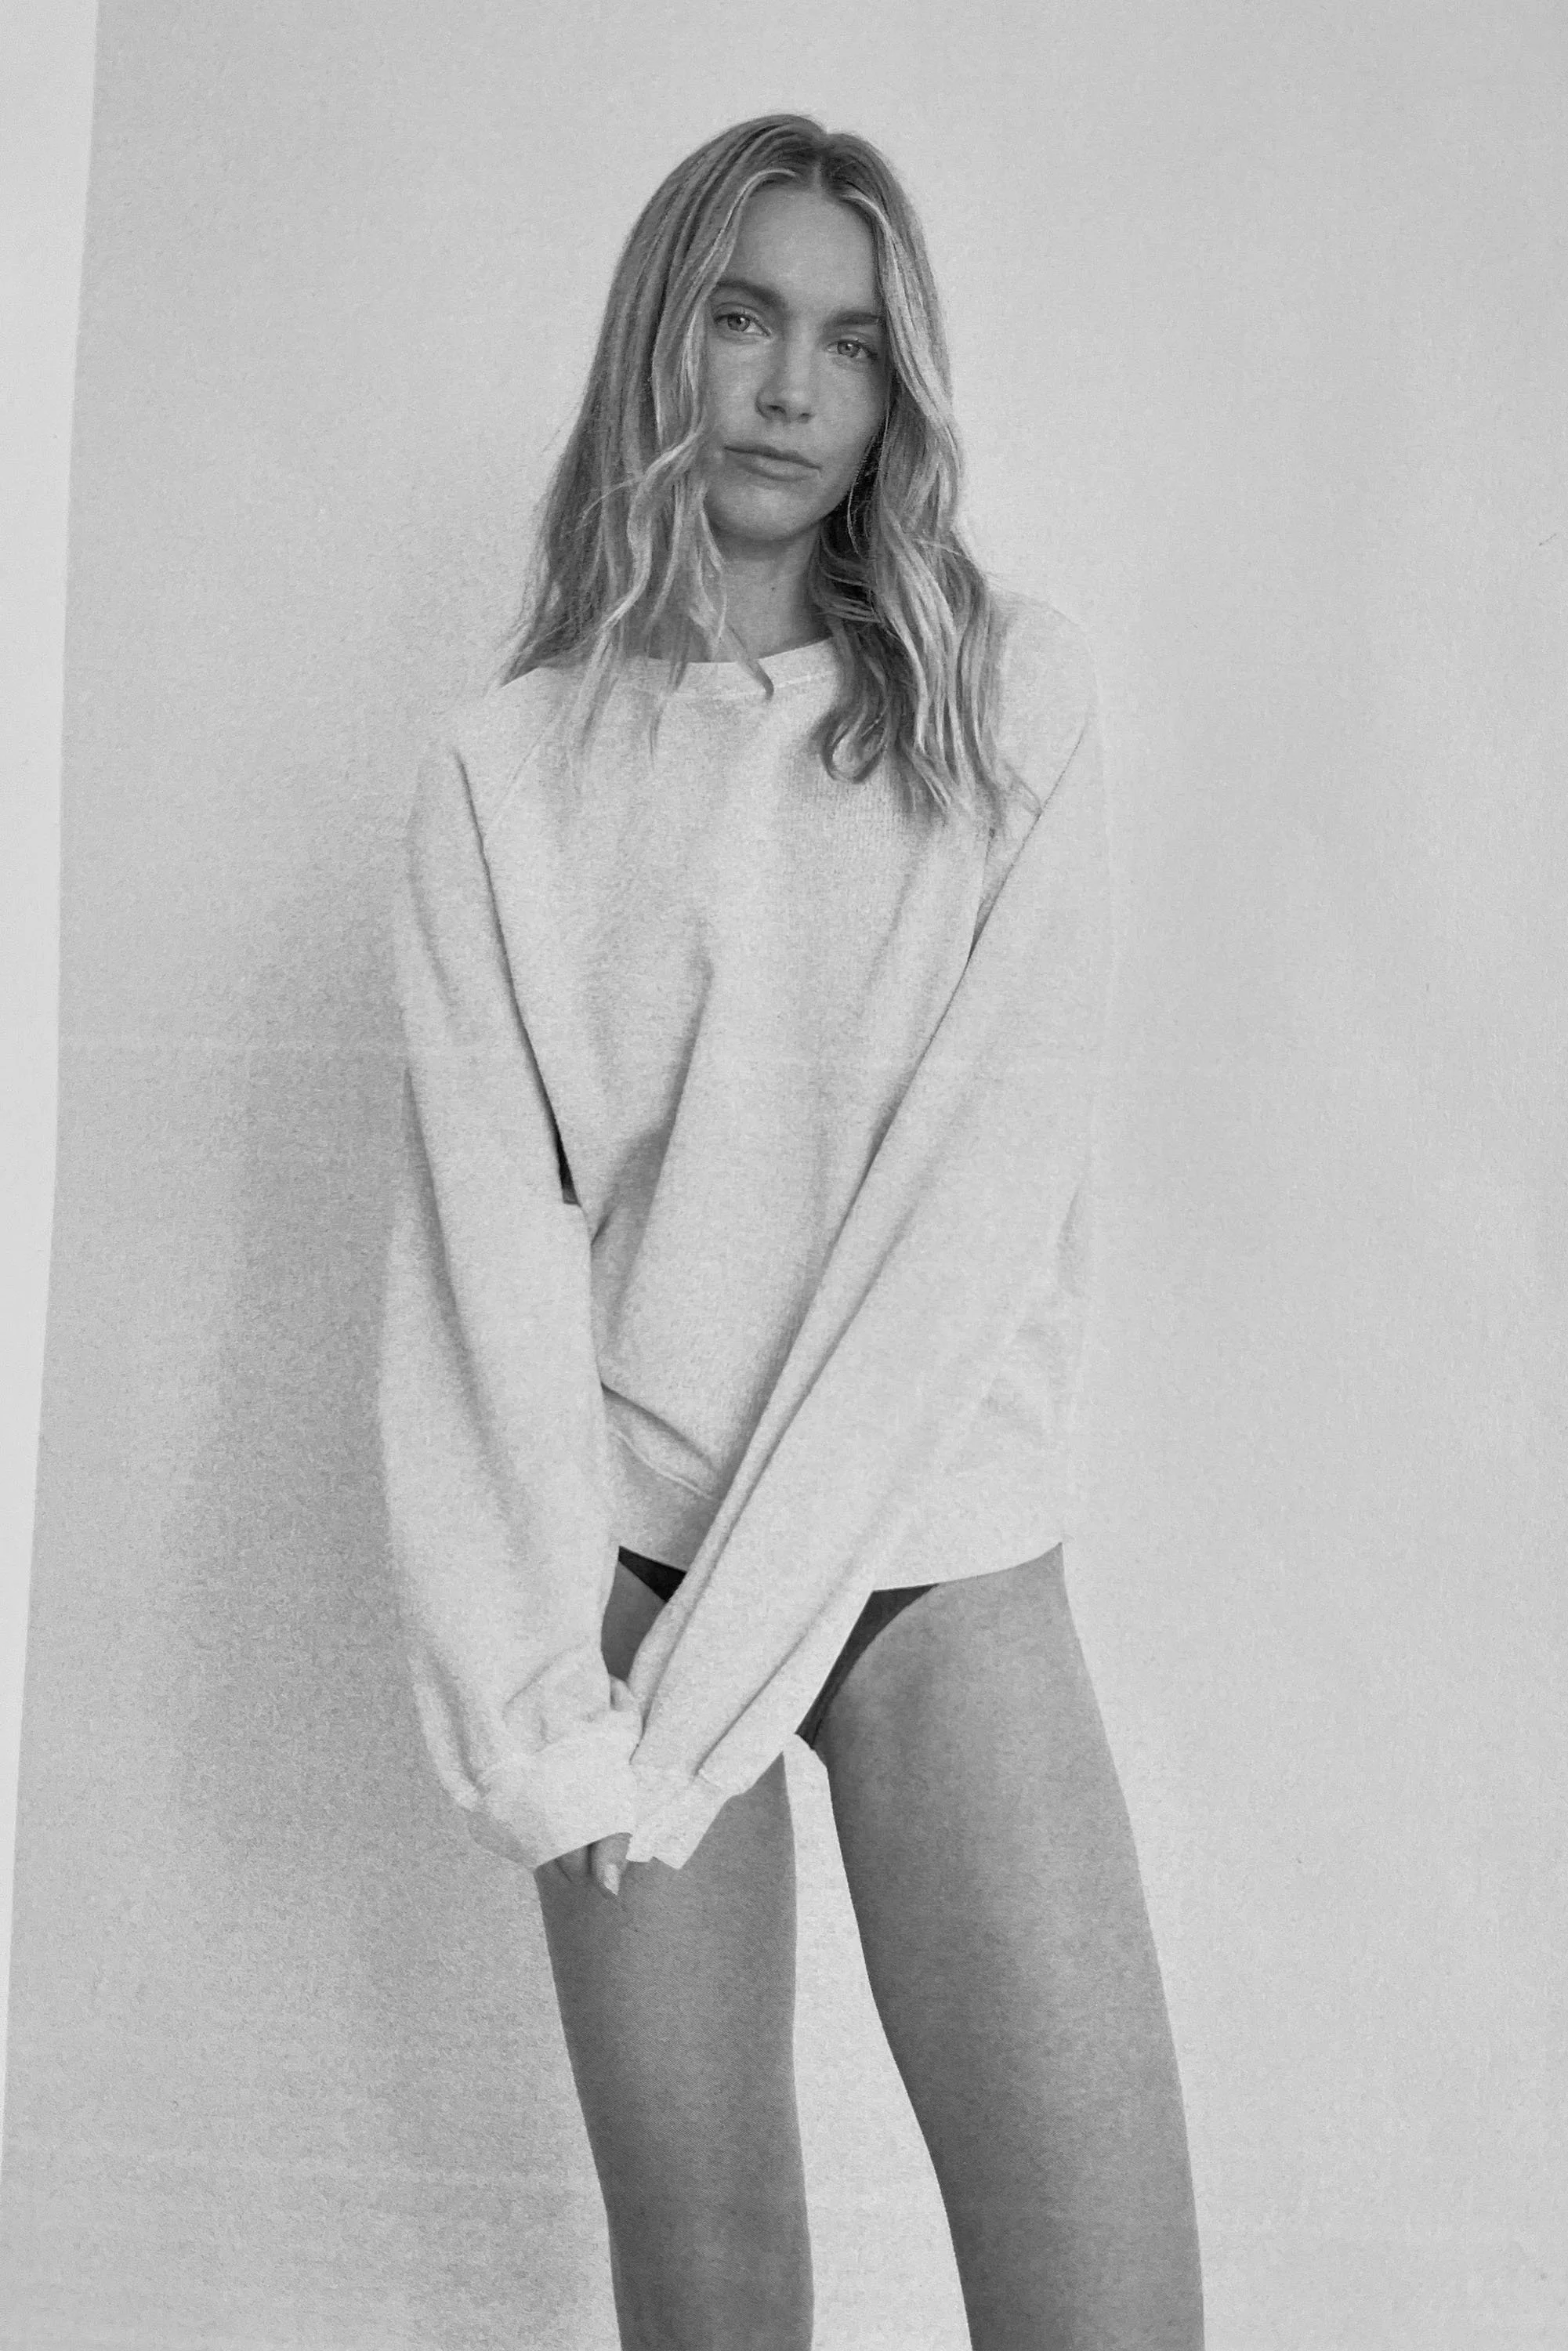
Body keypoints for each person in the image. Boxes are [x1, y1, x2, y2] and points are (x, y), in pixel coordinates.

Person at [378, 111, 1204, 2351]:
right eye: (745, 317)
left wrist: (738, 1665)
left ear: (894, 387)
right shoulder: (505, 778)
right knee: (711, 2306)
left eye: (848, 341)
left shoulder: (1004, 705)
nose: (789, 386)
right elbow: (482, 1289)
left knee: (1110, 2310)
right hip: (632, 1597)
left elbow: (962, 1227)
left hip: (935, 1566)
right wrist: (555, 1718)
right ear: (666, 335)